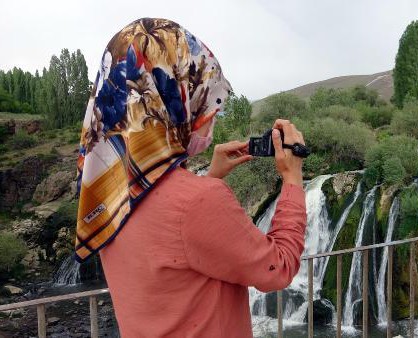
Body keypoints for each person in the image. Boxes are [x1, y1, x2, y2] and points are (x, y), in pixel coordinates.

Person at [74, 18, 307, 337]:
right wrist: (292, 180)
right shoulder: (196, 202)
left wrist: (211, 176)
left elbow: (170, 248)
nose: (209, 118)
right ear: (172, 98)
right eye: (206, 104)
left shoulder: (106, 193)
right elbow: (278, 268)